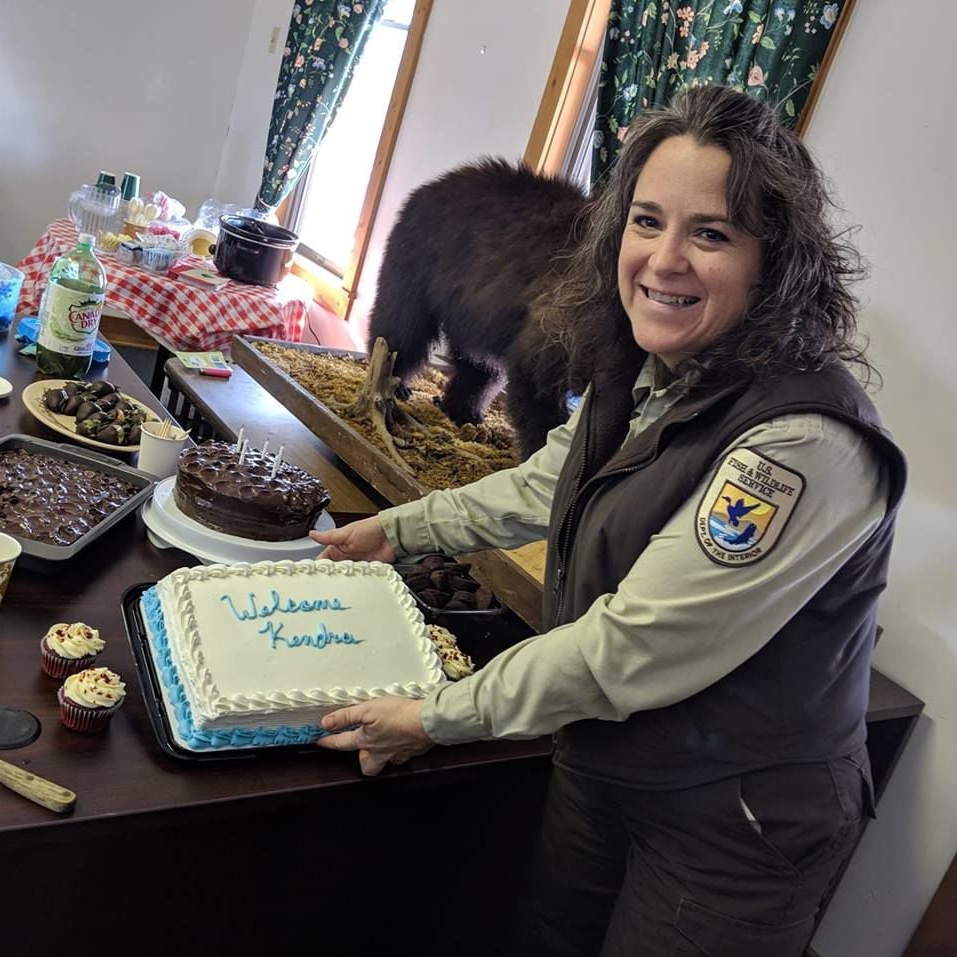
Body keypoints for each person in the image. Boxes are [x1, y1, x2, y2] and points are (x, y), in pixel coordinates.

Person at [309, 85, 907, 957]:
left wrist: (434, 715)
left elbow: (632, 645)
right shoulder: (658, 365)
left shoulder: (804, 444)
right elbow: (554, 479)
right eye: (646, 220)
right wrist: (401, 528)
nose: (664, 259)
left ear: (773, 261)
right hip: (607, 759)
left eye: (710, 233)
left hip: (732, 823)